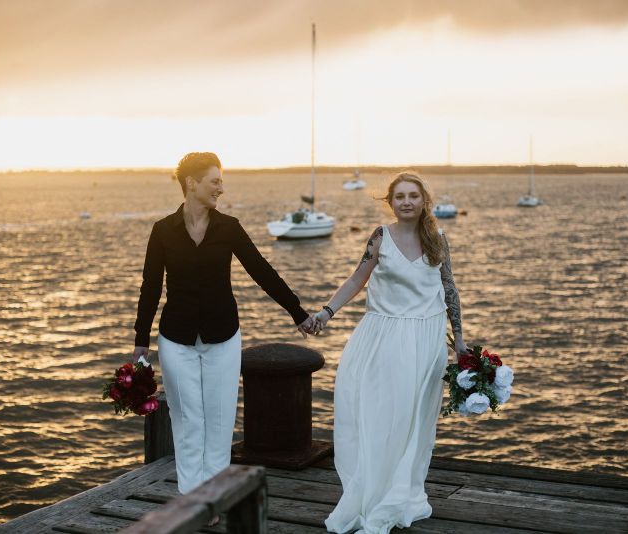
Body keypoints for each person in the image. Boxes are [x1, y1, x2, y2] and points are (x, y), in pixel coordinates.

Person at [133, 152, 316, 503]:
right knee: (188, 424)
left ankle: (214, 501)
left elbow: (262, 271)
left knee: (217, 426)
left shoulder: (228, 228)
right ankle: (192, 503)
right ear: (192, 184)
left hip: (223, 339)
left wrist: (298, 313)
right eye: (215, 181)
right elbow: (150, 286)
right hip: (176, 339)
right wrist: (141, 339)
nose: (221, 188)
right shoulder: (162, 231)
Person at [313, 171, 467, 534]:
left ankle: (405, 494)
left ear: (424, 200)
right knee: (384, 415)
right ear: (391, 201)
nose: (407, 202)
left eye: (413, 195)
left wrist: (459, 339)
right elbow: (356, 279)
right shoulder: (380, 237)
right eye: (400, 196)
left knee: (416, 420)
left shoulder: (438, 239)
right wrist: (326, 312)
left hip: (426, 339)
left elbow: (450, 291)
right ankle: (374, 493)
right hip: (384, 336)